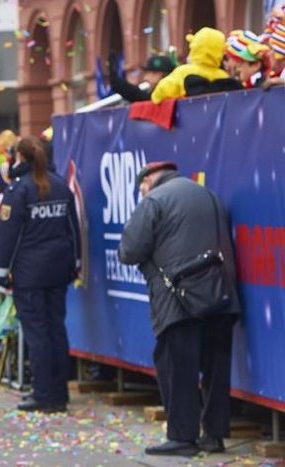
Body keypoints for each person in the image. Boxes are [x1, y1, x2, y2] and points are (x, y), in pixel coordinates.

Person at [118, 161, 240, 457]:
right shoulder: (209, 195)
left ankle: (182, 436)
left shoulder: (154, 200)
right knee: (215, 366)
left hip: (180, 299)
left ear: (148, 181)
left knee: (177, 366)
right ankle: (213, 435)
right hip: (220, 295)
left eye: (141, 187)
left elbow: (129, 250)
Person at [0, 137, 80, 414]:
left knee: (37, 331)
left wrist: (0, 272)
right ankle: (59, 393)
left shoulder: (18, 191)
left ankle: (43, 393)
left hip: (30, 272)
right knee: (56, 328)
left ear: (21, 158)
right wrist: (76, 262)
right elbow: (73, 228)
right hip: (59, 268)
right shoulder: (61, 185)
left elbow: (7, 236)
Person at [108, 53, 176, 102]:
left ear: (158, 75)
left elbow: (138, 95)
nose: (145, 78)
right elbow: (137, 94)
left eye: (148, 74)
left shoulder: (166, 96)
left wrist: (115, 79)